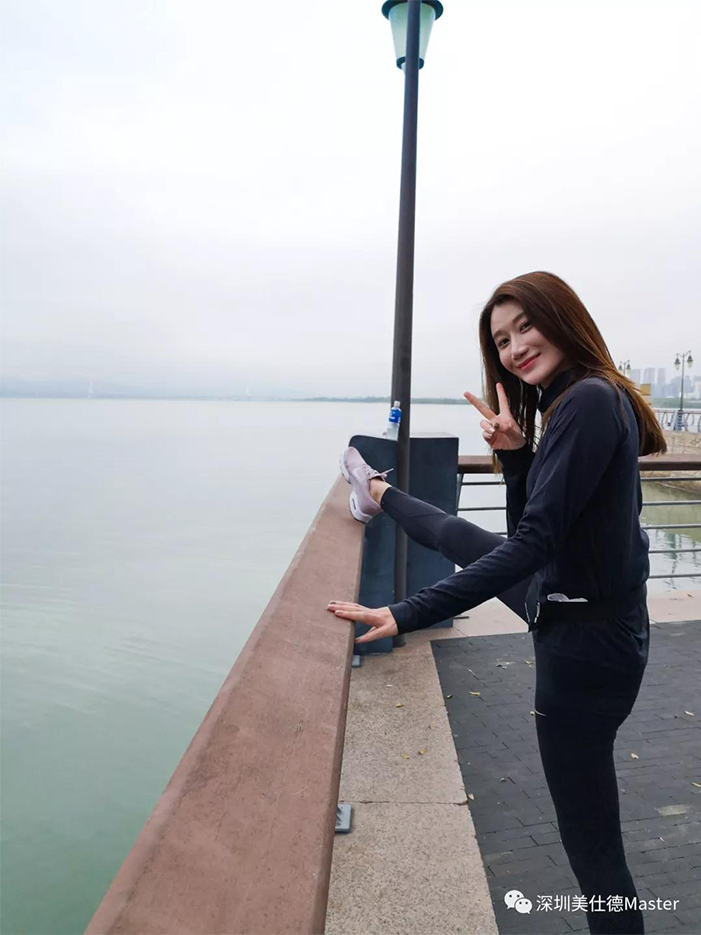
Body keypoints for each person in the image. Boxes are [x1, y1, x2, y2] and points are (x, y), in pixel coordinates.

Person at [327, 271, 667, 935]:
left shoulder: (586, 402)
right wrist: (514, 459)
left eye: (525, 327)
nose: (514, 348)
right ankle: (375, 491)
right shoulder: (580, 398)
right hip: (584, 614)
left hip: (583, 648)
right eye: (502, 340)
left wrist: (405, 611)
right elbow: (531, 534)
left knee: (593, 851)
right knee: (458, 535)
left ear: (562, 317)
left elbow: (531, 543)